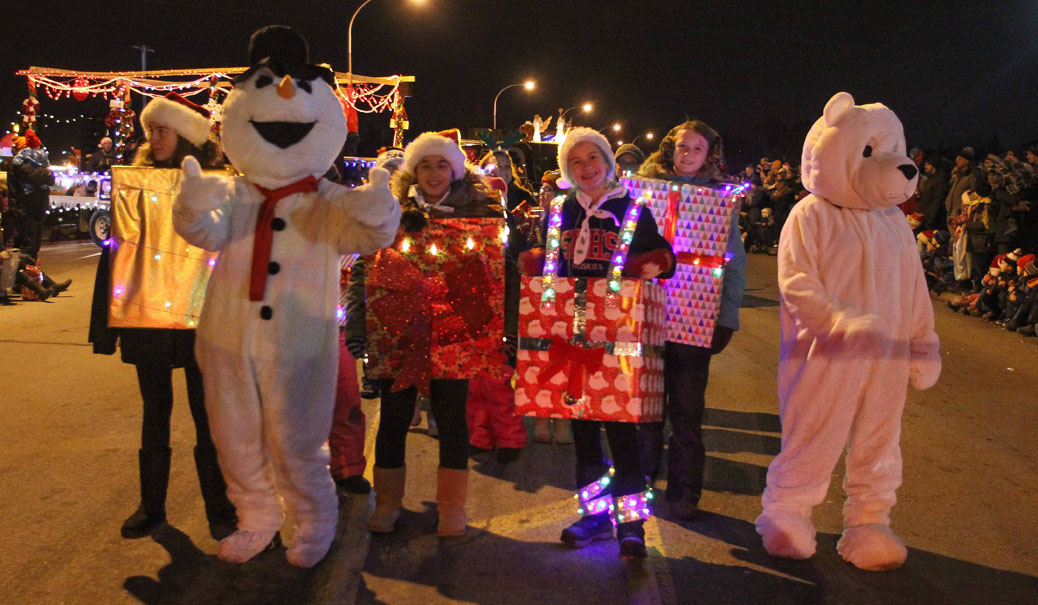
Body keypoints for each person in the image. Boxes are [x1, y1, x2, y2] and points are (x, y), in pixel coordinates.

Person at [520, 127, 675, 558]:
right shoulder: (558, 209)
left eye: (593, 158)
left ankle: (631, 524)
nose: (586, 167)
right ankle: (593, 515)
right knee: (584, 431)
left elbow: (666, 261)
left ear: (608, 162)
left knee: (623, 432)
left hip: (618, 337)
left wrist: (649, 264)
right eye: (576, 161)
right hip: (571, 334)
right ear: (567, 169)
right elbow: (547, 262)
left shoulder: (633, 207)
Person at [88, 93, 236, 541]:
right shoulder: (136, 186)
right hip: (148, 320)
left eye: (163, 129)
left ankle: (219, 507)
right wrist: (105, 325)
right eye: (150, 130)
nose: (154, 138)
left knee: (207, 417)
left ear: (187, 136)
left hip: (202, 322)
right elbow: (117, 253)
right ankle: (151, 507)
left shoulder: (217, 185)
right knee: (155, 414)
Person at [366, 130, 502, 538]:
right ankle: (388, 502)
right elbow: (367, 267)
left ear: (455, 170)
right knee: (393, 419)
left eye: (441, 164)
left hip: (454, 334)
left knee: (451, 419)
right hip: (400, 331)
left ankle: (451, 508)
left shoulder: (478, 214)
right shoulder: (391, 212)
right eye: (424, 164)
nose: (433, 172)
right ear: (412, 171)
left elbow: (494, 272)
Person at [637, 120, 747, 521]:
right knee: (646, 409)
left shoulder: (720, 200)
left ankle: (684, 493)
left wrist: (727, 316)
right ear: (670, 149)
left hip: (695, 317)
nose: (687, 155)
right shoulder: (643, 190)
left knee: (686, 411)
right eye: (682, 147)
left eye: (696, 149)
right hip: (646, 315)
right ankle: (639, 484)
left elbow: (733, 260)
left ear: (709, 154)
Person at [11, 130, 52, 259]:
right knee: (27, 245)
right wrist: (45, 173)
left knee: (35, 245)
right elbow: (33, 177)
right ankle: (24, 274)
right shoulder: (18, 165)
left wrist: (45, 174)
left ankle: (33, 273)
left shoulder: (32, 164)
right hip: (26, 208)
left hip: (38, 208)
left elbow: (52, 180)